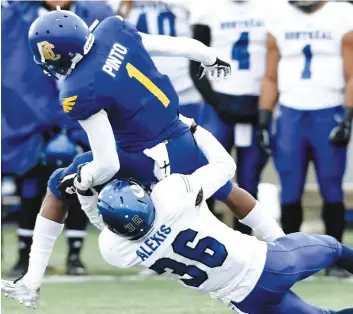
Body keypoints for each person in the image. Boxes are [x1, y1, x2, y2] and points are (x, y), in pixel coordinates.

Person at [2, 121, 353, 314]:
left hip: (242, 300)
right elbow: (224, 169)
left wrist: (87, 196)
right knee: (335, 248)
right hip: (270, 264)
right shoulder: (171, 194)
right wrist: (197, 129)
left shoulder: (115, 248)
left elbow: (100, 222)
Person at [1, 1, 113, 276]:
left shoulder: (96, 14)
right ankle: (24, 253)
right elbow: (16, 76)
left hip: (83, 109)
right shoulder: (14, 16)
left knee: (79, 177)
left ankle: (75, 254)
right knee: (32, 179)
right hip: (32, 117)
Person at [257, 0, 353, 277]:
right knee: (290, 188)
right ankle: (294, 260)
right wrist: (265, 117)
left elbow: (351, 73)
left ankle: (335, 261)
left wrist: (347, 117)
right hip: (290, 114)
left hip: (329, 110)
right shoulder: (277, 16)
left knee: (331, 186)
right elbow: (270, 76)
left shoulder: (342, 14)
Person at [189, 0, 275, 234]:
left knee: (249, 181)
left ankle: (245, 245)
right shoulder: (207, 9)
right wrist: (217, 102)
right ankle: (204, 240)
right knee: (206, 179)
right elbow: (194, 65)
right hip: (219, 105)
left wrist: (267, 104)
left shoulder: (273, 9)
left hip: (258, 103)